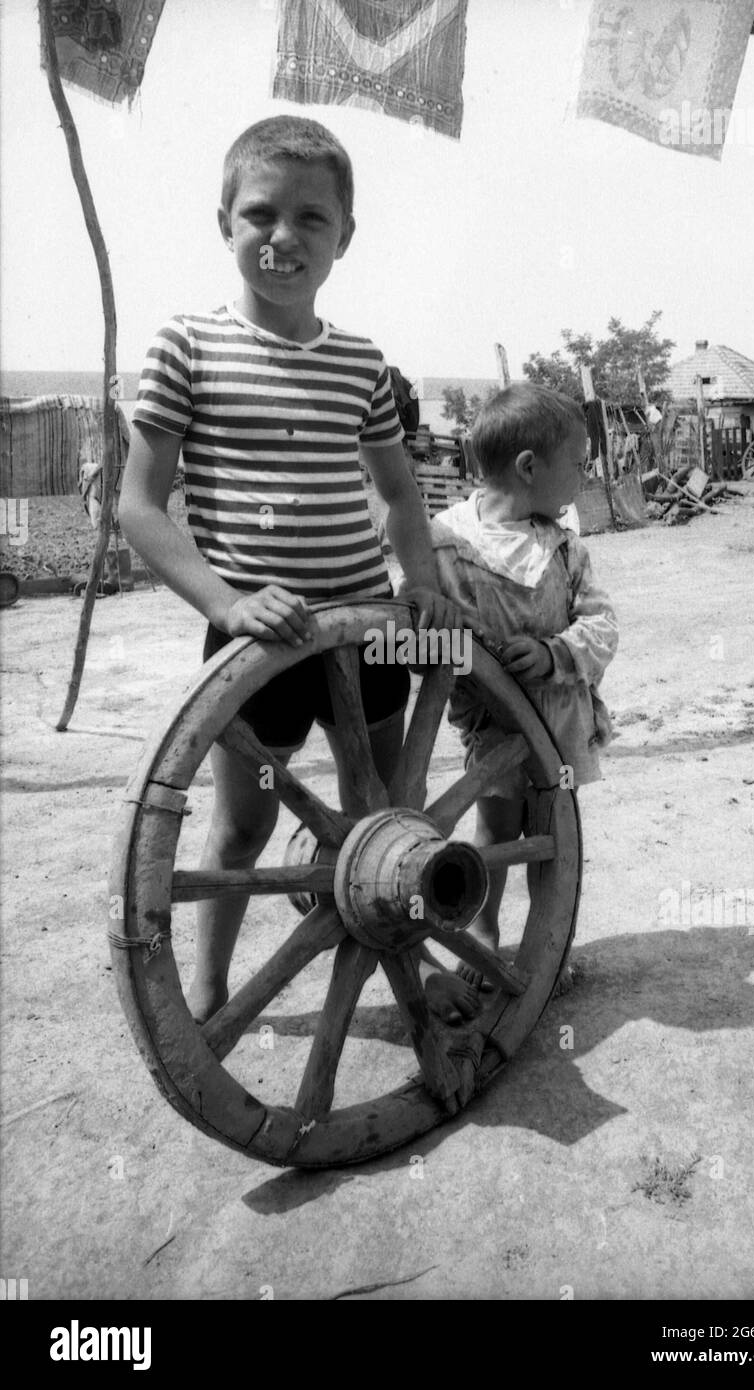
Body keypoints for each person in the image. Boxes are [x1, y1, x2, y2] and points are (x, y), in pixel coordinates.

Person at [119, 115, 457, 1023]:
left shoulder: (361, 364)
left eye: (312, 218)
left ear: (345, 235)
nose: (284, 236)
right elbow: (139, 507)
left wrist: (417, 582)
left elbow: (398, 493)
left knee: (383, 808)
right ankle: (213, 983)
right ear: (223, 223)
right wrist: (227, 606)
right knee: (246, 822)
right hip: (256, 640)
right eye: (260, 213)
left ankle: (398, 947)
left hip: (368, 628)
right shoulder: (185, 347)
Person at [420, 383, 618, 1025]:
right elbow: (411, 617)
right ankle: (481, 939)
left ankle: (548, 945)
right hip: (492, 731)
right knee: (494, 835)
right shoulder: (445, 546)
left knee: (550, 838)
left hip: (558, 724)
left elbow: (603, 626)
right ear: (530, 468)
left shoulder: (565, 548)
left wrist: (557, 652)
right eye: (579, 461)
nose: (585, 473)